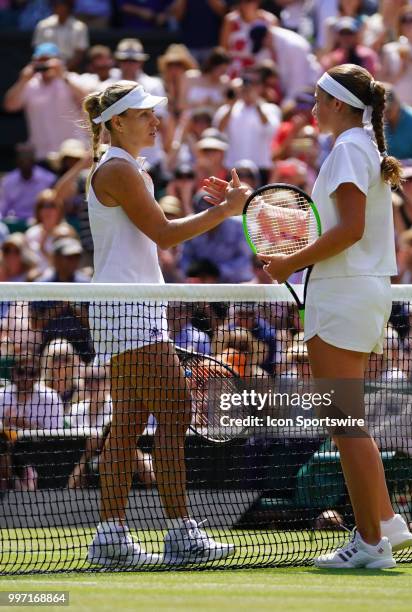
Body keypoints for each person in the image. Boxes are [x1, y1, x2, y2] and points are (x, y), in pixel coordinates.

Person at [205, 64, 412, 568]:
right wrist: (247, 207)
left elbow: (346, 230)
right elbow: (316, 222)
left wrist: (289, 263)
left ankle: (371, 543)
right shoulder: (359, 148)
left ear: (341, 104)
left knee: (344, 421)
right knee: (345, 419)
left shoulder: (347, 149)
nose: (313, 108)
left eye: (319, 99)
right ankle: (384, 520)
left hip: (343, 293)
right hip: (353, 293)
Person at [82, 81, 249, 566]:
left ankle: (110, 537)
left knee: (128, 426)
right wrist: (225, 212)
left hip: (131, 306)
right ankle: (180, 533)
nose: (155, 121)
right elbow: (165, 234)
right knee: (175, 413)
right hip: (127, 307)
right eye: (142, 114)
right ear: (116, 122)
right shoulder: (117, 169)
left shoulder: (128, 168)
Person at [3, 42, 88, 163]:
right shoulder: (28, 85)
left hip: (72, 154)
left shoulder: (71, 79)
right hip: (41, 155)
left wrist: (63, 75)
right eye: (39, 60)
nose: (43, 64)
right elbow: (10, 106)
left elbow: (88, 101)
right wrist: (22, 80)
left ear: (59, 61)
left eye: (47, 60)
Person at [0, 143, 56, 224]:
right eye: (22, 159)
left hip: (40, 223)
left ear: (33, 160)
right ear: (17, 161)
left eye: (28, 158)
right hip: (15, 224)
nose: (25, 162)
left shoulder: (48, 179)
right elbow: (2, 209)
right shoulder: (8, 181)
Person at [32, 0, 89, 72]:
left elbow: (80, 53)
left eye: (63, 5)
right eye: (57, 5)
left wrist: (64, 70)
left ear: (69, 7)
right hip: (45, 69)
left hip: (71, 69)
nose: (60, 8)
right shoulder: (43, 25)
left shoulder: (80, 27)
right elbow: (38, 51)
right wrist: (48, 68)